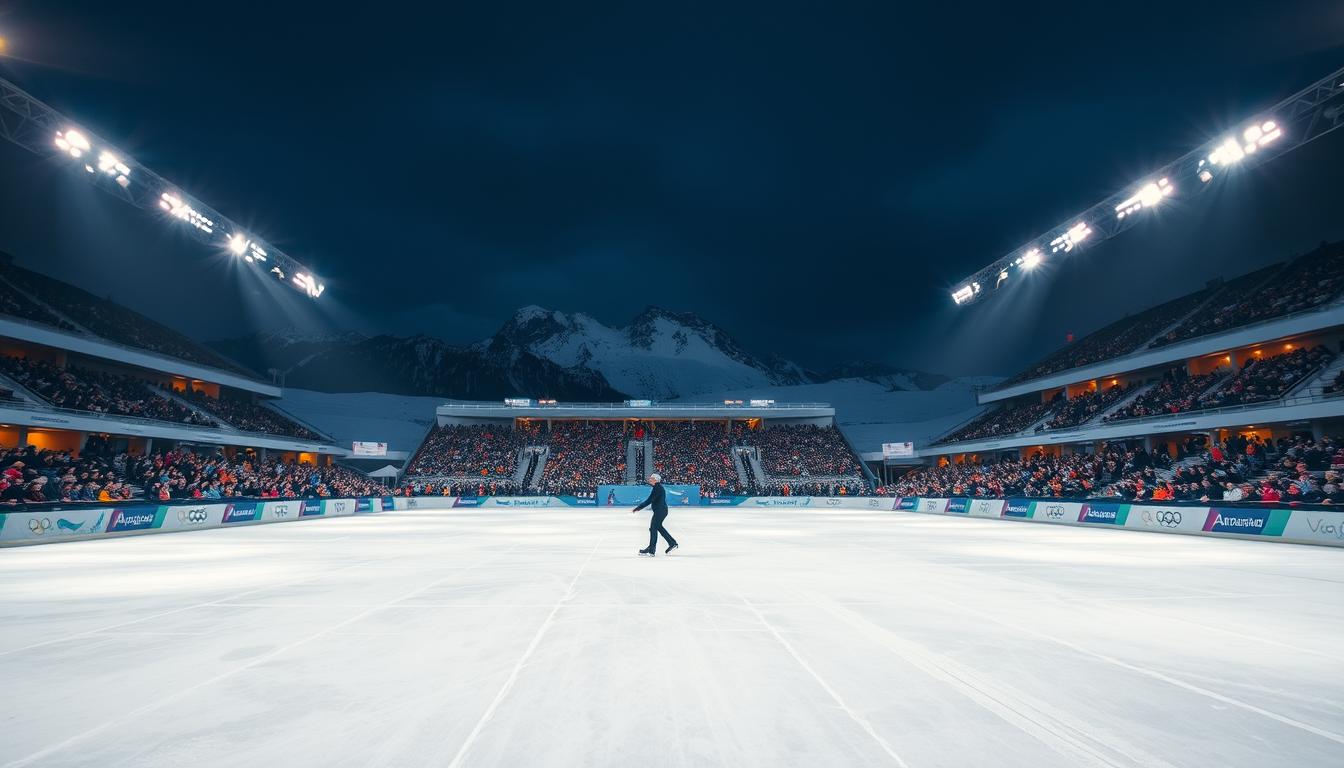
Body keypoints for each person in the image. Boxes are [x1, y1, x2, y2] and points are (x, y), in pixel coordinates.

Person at [632, 472, 678, 557]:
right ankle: (672, 543)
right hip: (661, 511)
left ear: (655, 480)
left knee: (653, 528)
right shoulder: (657, 487)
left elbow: (649, 500)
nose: (649, 479)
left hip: (660, 511)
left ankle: (651, 550)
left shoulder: (657, 488)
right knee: (658, 527)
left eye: (651, 478)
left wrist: (638, 508)